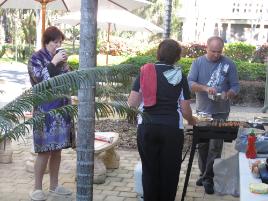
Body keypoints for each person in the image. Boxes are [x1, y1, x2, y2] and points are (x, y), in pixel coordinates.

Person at [128, 39, 196, 201]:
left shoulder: (145, 72)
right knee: (170, 172)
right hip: (172, 129)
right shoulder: (180, 75)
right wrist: (193, 121)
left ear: (158, 53)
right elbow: (186, 110)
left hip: (147, 127)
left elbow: (132, 103)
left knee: (150, 169)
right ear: (177, 57)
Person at [187, 36, 240, 194]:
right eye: (213, 51)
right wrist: (205, 88)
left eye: (219, 51)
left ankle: (209, 177)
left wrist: (228, 93)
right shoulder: (198, 63)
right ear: (206, 48)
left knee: (216, 146)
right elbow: (190, 83)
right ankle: (204, 173)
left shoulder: (229, 63)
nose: (216, 54)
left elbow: (235, 86)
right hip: (202, 111)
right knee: (202, 144)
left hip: (221, 111)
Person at [28, 26, 73, 201]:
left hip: (61, 109)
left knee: (57, 150)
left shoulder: (61, 59)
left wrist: (65, 66)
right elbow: (39, 80)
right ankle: (37, 188)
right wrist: (53, 62)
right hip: (44, 111)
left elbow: (67, 79)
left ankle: (54, 186)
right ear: (47, 42)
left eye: (60, 42)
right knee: (44, 151)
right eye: (56, 42)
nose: (58, 45)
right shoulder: (35, 58)